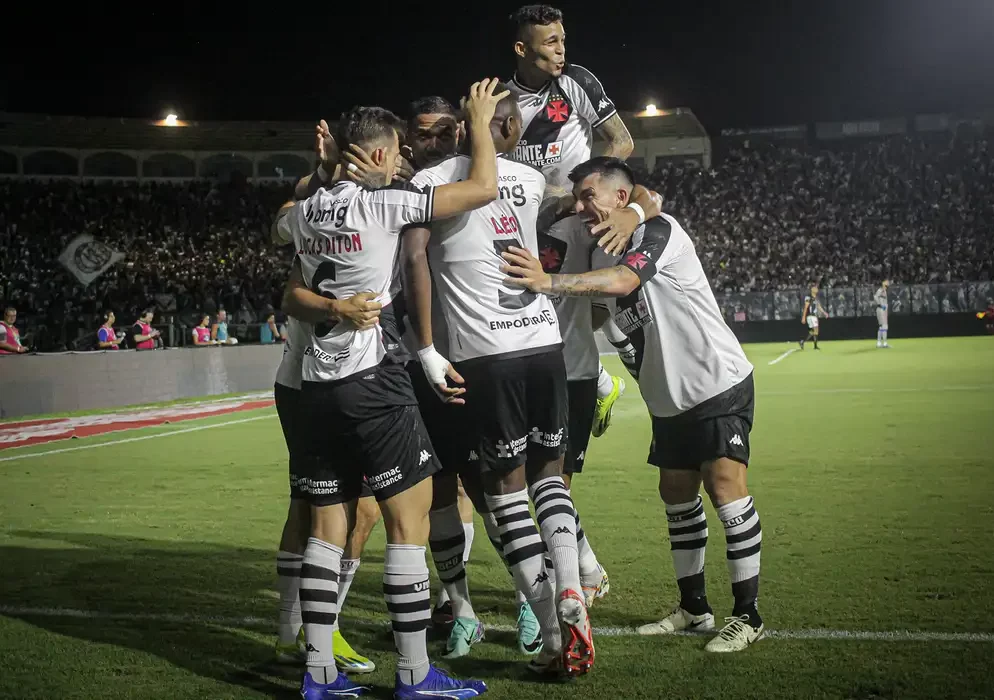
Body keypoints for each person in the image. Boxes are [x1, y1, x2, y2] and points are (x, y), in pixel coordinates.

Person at [271, 79, 508, 700]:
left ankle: (317, 677)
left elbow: (290, 294)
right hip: (372, 384)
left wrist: (330, 302)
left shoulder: (305, 211)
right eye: (397, 149)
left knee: (328, 527)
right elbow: (483, 189)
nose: (403, 159)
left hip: (314, 388)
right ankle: (414, 674)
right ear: (377, 156)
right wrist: (479, 121)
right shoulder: (386, 204)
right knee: (409, 524)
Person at [501, 157, 767, 653]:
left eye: (589, 195)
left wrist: (548, 282)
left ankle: (748, 615)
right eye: (577, 198)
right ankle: (694, 608)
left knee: (726, 488)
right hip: (668, 397)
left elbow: (625, 281)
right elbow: (611, 310)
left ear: (620, 197)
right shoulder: (602, 249)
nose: (581, 206)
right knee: (677, 493)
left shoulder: (659, 230)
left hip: (716, 381)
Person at [403, 83, 594, 678]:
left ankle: (545, 609)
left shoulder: (432, 187)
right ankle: (570, 586)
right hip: (544, 343)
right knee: (550, 477)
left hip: (486, 355)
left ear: (467, 127)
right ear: (509, 131)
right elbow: (563, 201)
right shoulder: (532, 183)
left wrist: (429, 349)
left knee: (502, 489)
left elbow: (414, 260)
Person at [507, 3, 639, 438]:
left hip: (579, 219)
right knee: (541, 310)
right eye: (551, 42)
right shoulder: (502, 102)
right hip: (527, 222)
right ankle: (602, 382)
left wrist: (582, 187)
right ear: (522, 49)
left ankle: (625, 355)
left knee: (589, 296)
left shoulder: (576, 81)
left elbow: (622, 141)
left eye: (563, 39)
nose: (562, 50)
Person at [274, 269, 382, 675]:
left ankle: (292, 634)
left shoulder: (326, 224)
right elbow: (291, 296)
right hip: (321, 384)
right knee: (335, 510)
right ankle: (321, 629)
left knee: (310, 508)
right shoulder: (328, 224)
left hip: (324, 381)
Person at [800, 285, 826, 350]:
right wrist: (803, 317)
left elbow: (818, 306)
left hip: (814, 316)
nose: (817, 289)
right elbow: (806, 307)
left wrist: (824, 313)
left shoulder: (816, 298)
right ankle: (804, 342)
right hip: (810, 315)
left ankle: (813, 345)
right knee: (814, 330)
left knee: (814, 331)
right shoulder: (808, 297)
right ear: (812, 289)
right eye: (815, 288)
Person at [874, 280, 891, 348]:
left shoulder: (883, 291)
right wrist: (880, 304)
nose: (887, 286)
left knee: (881, 327)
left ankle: (879, 342)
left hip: (882, 310)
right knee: (884, 326)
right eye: (886, 285)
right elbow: (875, 297)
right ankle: (884, 343)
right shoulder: (881, 290)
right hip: (881, 309)